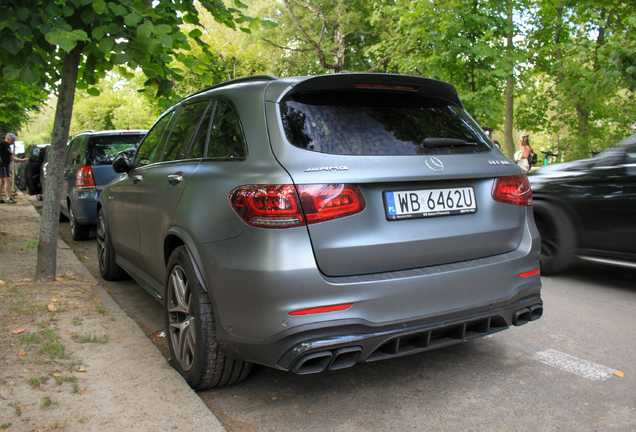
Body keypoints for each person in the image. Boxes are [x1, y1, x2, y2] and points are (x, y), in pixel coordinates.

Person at [0, 133, 28, 204]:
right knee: (8, 180)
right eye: (12, 140)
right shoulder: (3, 143)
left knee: (2, 182)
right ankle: (8, 198)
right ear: (8, 139)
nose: (13, 142)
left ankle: (0, 198)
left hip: (5, 165)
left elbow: (11, 157)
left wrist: (21, 160)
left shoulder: (7, 146)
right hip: (2, 165)